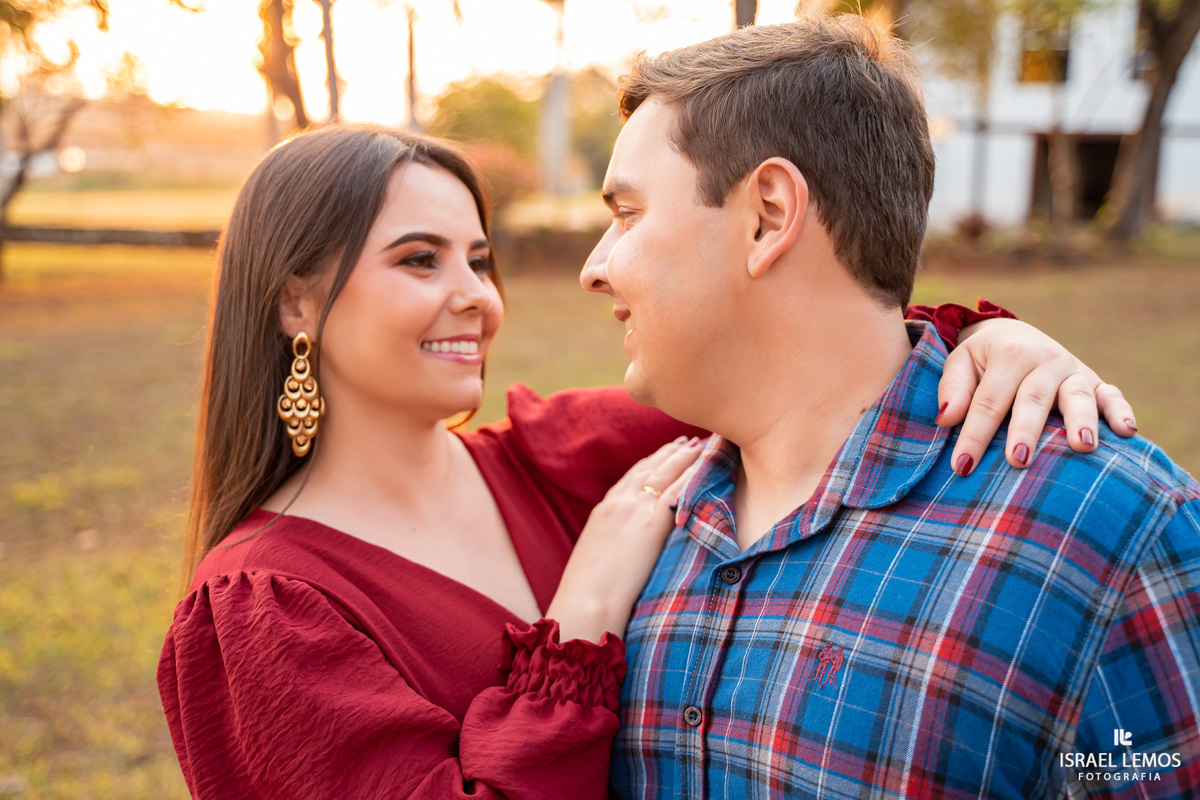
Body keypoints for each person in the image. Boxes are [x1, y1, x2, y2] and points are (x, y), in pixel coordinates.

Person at [159, 125, 1129, 798]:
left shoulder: (559, 459)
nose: (477, 297)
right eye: (420, 260)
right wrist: (575, 623)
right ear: (294, 303)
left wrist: (985, 346)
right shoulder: (262, 607)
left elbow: (812, 369)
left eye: (480, 258)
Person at [578, 15, 1200, 800]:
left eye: (627, 214)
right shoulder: (647, 517)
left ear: (769, 215)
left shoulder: (1109, 533)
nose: (594, 267)